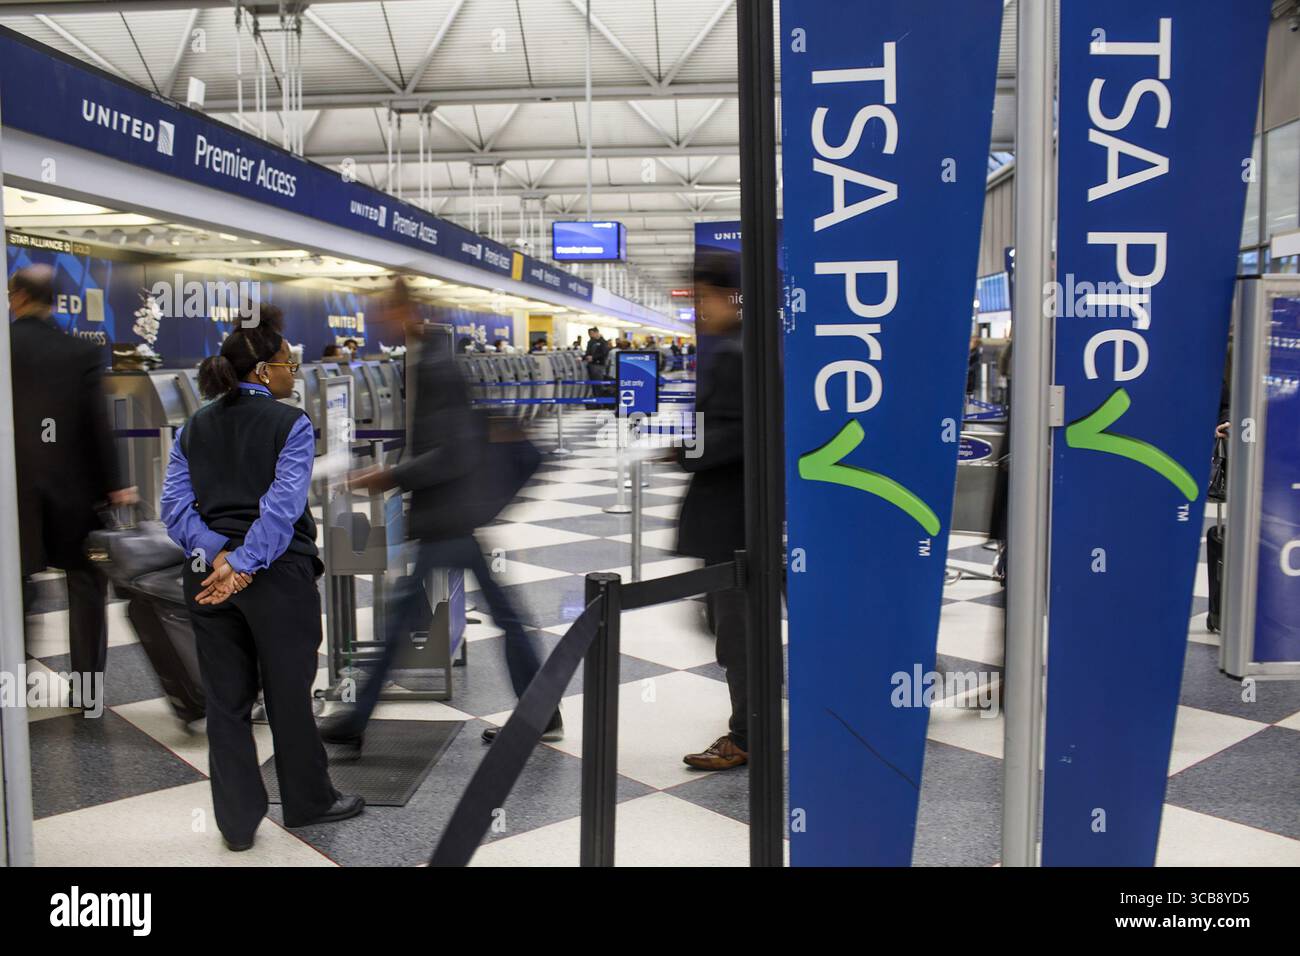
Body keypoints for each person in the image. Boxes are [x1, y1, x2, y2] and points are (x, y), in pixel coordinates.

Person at [320, 278, 558, 747]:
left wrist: (390, 476)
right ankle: (541, 711)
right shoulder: (429, 360)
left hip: (447, 515)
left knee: (403, 624)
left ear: (403, 310)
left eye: (384, 310)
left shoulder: (434, 366)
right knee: (481, 616)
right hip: (453, 515)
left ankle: (355, 720)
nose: (378, 319)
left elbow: (452, 453)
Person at [160, 306, 363, 851]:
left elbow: (175, 507)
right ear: (260, 372)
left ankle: (237, 821)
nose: (292, 373)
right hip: (276, 576)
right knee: (287, 694)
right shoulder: (289, 421)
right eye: (287, 365)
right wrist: (244, 564)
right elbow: (281, 506)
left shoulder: (193, 426)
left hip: (206, 579)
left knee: (225, 703)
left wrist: (218, 555)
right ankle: (308, 801)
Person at [10, 265, 137, 703]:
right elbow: (97, 425)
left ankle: (14, 682)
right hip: (75, 493)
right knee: (84, 586)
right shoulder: (79, 352)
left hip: (15, 494)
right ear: (53, 301)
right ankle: (86, 690)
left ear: (18, 297)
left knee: (15, 585)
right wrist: (116, 484)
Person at [678, 251, 749, 771]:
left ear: (728, 296)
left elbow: (727, 435)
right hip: (748, 515)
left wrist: (683, 450)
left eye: (701, 297)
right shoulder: (754, 347)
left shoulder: (731, 354)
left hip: (732, 518)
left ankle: (747, 733)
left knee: (736, 633)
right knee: (735, 627)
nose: (697, 309)